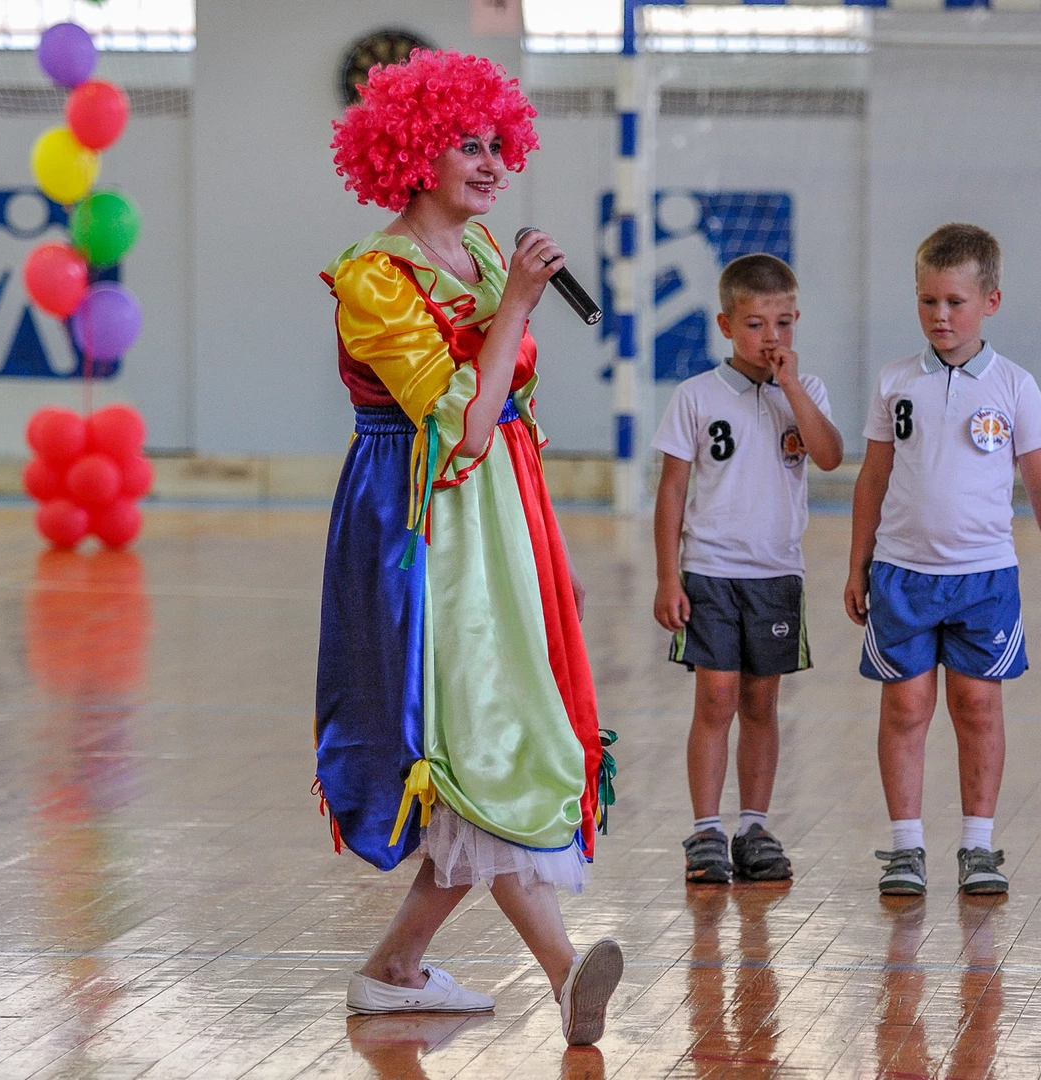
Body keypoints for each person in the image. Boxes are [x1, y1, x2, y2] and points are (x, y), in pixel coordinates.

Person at [314, 49, 622, 1045]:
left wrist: (546, 556)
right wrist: (518, 306)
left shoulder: (486, 254)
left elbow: (514, 421)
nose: (492, 165)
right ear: (412, 156)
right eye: (468, 147)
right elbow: (461, 427)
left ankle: (395, 968)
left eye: (498, 145)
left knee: (496, 729)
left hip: (499, 512)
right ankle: (564, 971)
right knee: (473, 732)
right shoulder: (373, 276)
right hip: (422, 521)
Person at [845, 224, 1041, 898]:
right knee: (905, 707)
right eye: (927, 301)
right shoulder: (896, 381)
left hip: (984, 578)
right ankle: (905, 847)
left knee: (978, 706)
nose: (941, 316)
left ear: (991, 302)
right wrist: (857, 562)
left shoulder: (1015, 386)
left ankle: (978, 846)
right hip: (901, 575)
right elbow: (872, 477)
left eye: (955, 301)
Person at [651, 254, 844, 885]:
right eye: (756, 324)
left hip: (776, 574)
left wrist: (792, 389)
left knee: (762, 702)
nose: (770, 337)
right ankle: (706, 830)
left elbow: (830, 456)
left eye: (782, 324)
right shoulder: (696, 395)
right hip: (709, 570)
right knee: (715, 698)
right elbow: (672, 491)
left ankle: (754, 826)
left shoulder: (806, 392)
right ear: (726, 325)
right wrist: (668, 577)